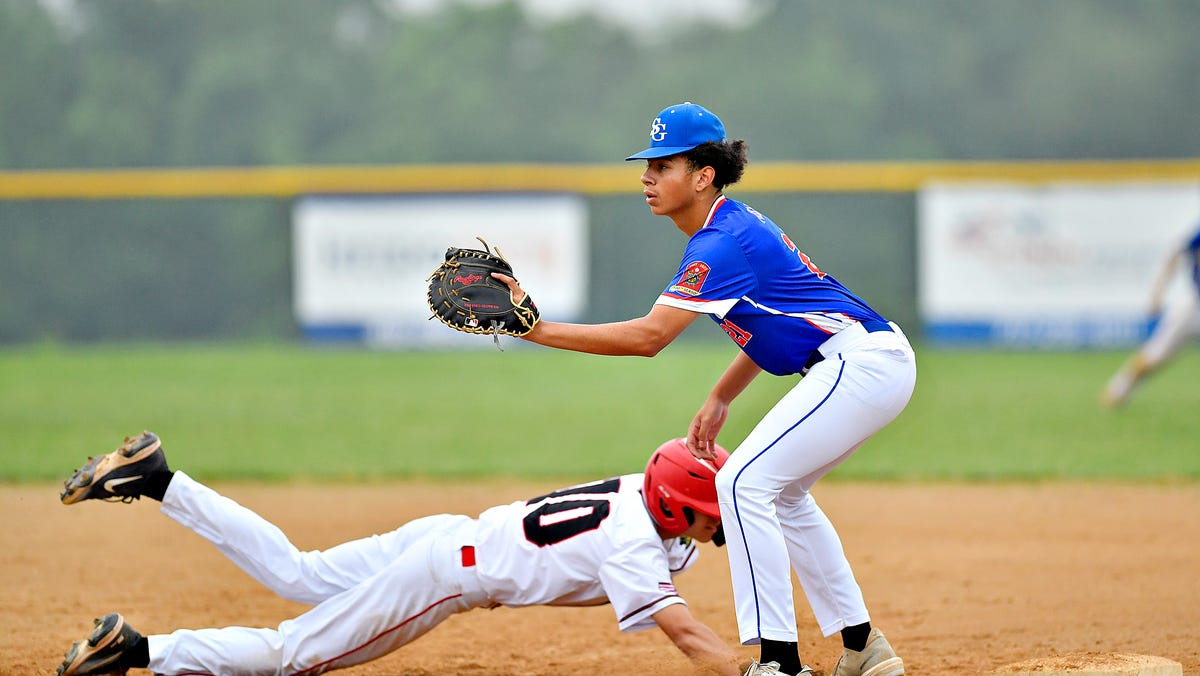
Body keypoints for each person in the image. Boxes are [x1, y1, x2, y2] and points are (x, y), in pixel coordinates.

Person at [492, 102, 916, 676]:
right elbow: (777, 326)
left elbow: (648, 337)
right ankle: (863, 645)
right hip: (866, 362)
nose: (647, 176)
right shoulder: (731, 226)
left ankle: (779, 663)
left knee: (742, 483)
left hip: (858, 364)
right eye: (648, 164)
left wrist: (536, 328)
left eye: (664, 165)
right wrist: (722, 395)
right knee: (783, 494)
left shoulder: (719, 245)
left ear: (703, 175)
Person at [55, 431, 749, 676]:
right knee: (293, 653)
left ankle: (156, 477)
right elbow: (685, 633)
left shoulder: (645, 493)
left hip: (451, 533)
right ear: (670, 505)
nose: (713, 527)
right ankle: (138, 651)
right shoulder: (635, 545)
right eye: (706, 515)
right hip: (446, 574)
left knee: (299, 572)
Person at [1101, 222, 1200, 408]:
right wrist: (1158, 292)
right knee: (1156, 355)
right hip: (1194, 306)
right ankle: (1119, 390)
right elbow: (1176, 253)